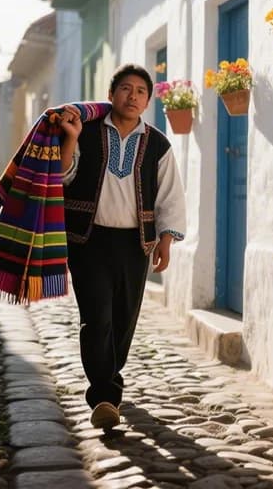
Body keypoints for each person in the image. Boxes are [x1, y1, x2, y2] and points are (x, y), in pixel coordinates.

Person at [55, 63, 186, 430]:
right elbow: (64, 176)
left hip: (135, 244)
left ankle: (109, 376)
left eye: (141, 91)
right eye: (125, 89)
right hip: (88, 239)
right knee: (97, 318)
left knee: (124, 319)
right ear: (111, 94)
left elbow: (170, 196)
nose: (133, 96)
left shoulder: (158, 143)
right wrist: (69, 137)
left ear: (148, 101)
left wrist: (165, 240)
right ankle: (104, 395)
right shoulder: (87, 131)